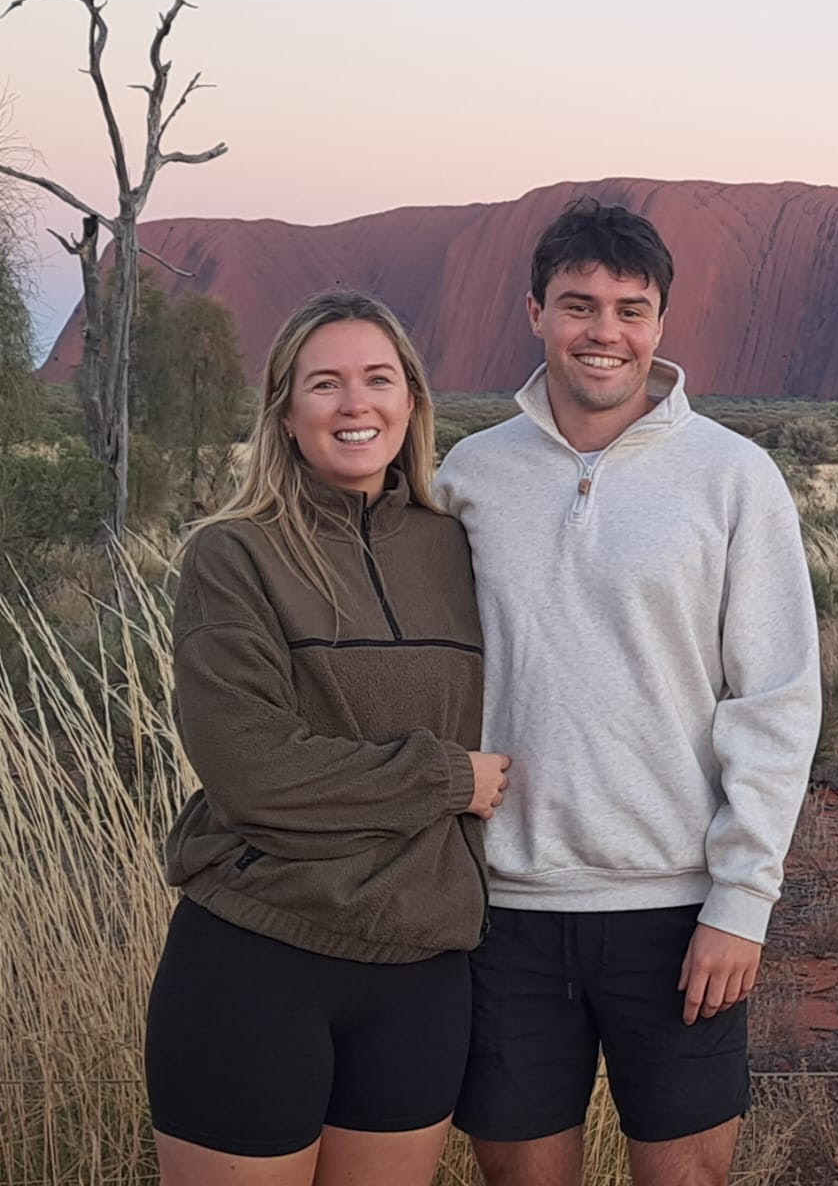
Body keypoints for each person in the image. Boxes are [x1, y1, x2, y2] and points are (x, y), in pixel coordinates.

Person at [437, 199, 821, 1186]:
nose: (603, 332)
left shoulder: (733, 478)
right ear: (534, 312)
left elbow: (775, 699)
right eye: (578, 305)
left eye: (628, 308)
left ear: (659, 322)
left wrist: (741, 904)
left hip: (677, 911)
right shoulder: (471, 476)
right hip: (503, 911)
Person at [146, 291, 512, 1186]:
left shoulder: (459, 547)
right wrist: (444, 779)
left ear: (414, 400)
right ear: (285, 410)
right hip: (258, 960)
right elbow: (254, 774)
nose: (357, 405)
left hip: (421, 974)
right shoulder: (234, 555)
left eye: (379, 379)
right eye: (326, 384)